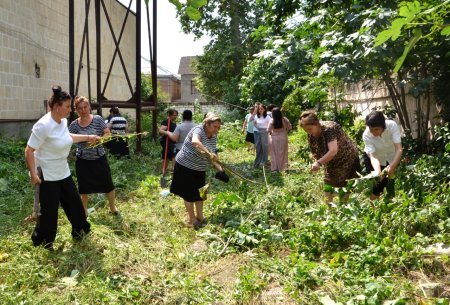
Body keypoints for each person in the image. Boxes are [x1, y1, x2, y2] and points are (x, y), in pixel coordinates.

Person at [25, 85, 92, 249]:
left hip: (63, 171)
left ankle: (80, 231)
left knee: (74, 203)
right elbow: (29, 150)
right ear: (56, 107)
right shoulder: (43, 125)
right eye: (68, 106)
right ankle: (44, 241)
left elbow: (66, 137)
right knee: (49, 212)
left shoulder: (62, 121)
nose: (70, 110)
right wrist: (34, 175)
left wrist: (88, 137)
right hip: (47, 175)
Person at [170, 112, 223, 229]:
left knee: (201, 193)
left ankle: (200, 216)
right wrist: (209, 153)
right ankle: (192, 218)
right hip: (185, 166)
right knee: (188, 194)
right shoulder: (198, 130)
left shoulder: (213, 137)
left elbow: (212, 157)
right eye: (215, 127)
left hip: (200, 168)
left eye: (218, 127)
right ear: (207, 124)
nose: (217, 130)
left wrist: (220, 169)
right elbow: (195, 142)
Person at [69, 96, 119, 216]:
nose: (83, 110)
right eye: (80, 108)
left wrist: (99, 140)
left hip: (99, 158)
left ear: (89, 107)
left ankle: (112, 208)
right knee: (83, 188)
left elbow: (107, 133)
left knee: (108, 184)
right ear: (76, 110)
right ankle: (84, 211)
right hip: (83, 160)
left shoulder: (98, 119)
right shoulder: (74, 125)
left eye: (85, 107)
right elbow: (69, 138)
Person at [299, 110, 360, 202]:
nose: (308, 132)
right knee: (329, 184)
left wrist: (319, 163)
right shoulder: (311, 134)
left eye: (310, 129)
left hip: (347, 159)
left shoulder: (329, 129)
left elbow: (333, 151)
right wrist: (315, 160)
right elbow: (314, 150)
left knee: (346, 185)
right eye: (305, 130)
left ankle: (344, 208)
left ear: (316, 124)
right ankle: (330, 211)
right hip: (331, 162)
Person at [363, 110, 403, 201]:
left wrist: (392, 165)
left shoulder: (392, 126)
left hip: (391, 157)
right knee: (376, 187)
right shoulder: (366, 135)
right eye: (371, 129)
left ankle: (389, 206)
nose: (374, 132)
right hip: (374, 159)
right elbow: (373, 156)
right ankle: (374, 210)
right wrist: (378, 171)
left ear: (383, 125)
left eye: (376, 129)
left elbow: (399, 148)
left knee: (390, 183)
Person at [268, 108, 292, 172]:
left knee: (274, 153)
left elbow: (268, 130)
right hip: (283, 137)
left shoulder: (272, 120)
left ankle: (275, 168)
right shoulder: (284, 119)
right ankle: (284, 167)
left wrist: (271, 132)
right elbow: (290, 127)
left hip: (274, 138)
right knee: (283, 153)